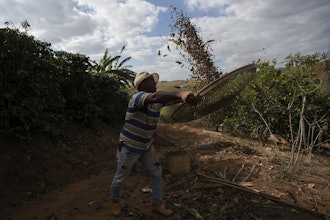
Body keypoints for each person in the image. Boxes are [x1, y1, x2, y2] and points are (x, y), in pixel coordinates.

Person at [110, 71, 199, 216]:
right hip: (129, 146)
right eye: (151, 81)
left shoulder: (156, 102)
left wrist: (187, 97)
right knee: (121, 176)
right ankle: (114, 201)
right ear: (142, 84)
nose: (155, 83)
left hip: (146, 146)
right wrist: (180, 94)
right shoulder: (137, 98)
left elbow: (170, 100)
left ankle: (157, 204)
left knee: (156, 173)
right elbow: (156, 97)